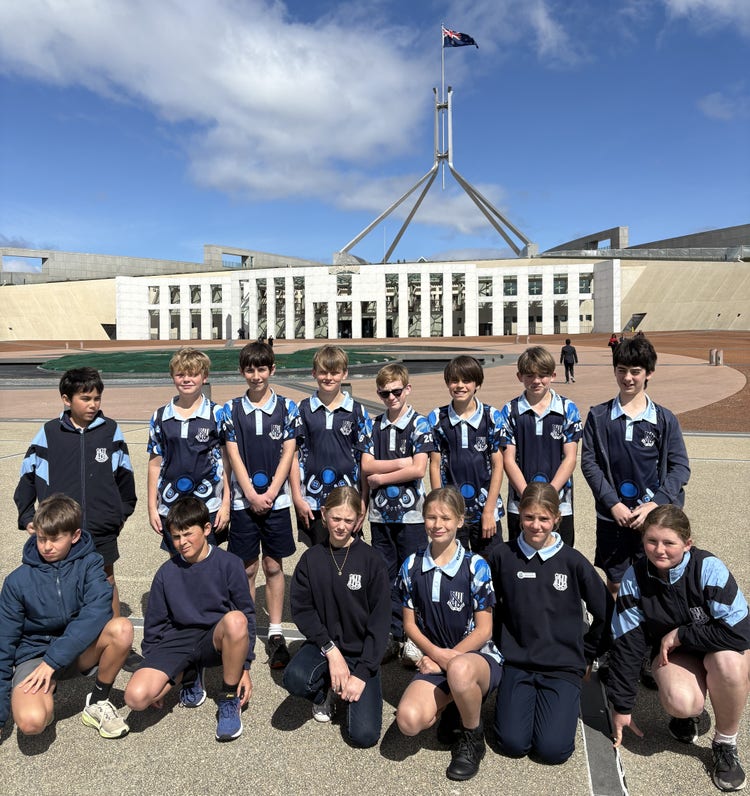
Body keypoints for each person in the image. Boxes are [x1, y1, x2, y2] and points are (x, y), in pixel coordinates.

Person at [608, 505, 749, 793]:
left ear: (687, 543)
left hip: (721, 646)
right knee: (683, 702)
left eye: (669, 542)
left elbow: (740, 632)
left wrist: (682, 634)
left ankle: (725, 743)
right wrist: (621, 705)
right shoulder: (635, 578)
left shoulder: (708, 568)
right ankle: (686, 716)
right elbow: (626, 644)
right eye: (651, 541)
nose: (659, 550)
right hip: (678, 653)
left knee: (729, 666)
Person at [13, 366, 138, 666]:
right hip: (62, 529)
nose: (93, 404)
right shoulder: (48, 433)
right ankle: (61, 645)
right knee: (62, 583)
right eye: (85, 398)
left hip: (100, 527)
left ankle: (117, 645)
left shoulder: (111, 430)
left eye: (96, 398)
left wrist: (117, 514)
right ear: (66, 399)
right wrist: (28, 515)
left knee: (106, 579)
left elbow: (125, 477)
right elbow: (27, 475)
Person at [486, 483, 612, 764]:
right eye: (529, 517)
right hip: (517, 662)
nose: (536, 525)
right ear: (519, 515)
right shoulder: (501, 556)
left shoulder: (573, 562)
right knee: (512, 744)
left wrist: (588, 652)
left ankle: (557, 706)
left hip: (562, 666)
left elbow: (606, 612)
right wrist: (494, 645)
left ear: (557, 518)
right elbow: (485, 606)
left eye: (544, 518)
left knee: (552, 751)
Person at [0, 495, 133, 739]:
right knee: (32, 724)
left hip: (77, 652)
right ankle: (45, 700)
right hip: (35, 655)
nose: (46, 546)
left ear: (75, 535)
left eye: (54, 539)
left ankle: (98, 701)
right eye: (41, 538)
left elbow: (98, 611)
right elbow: (3, 643)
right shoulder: (17, 581)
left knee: (121, 628)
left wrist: (53, 661)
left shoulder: (91, 564)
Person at [124, 497, 255, 742]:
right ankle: (189, 673)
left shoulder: (230, 564)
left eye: (187, 534)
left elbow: (247, 615)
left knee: (236, 620)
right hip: (179, 640)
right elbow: (154, 625)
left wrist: (244, 666)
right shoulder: (166, 572)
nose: (182, 542)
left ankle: (228, 700)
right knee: (136, 698)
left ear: (206, 529)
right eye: (176, 537)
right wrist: (160, 671)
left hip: (214, 639)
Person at [395, 487, 503, 782]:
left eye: (445, 517)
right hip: (436, 659)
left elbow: (484, 630)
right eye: (431, 517)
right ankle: (454, 705)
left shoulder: (475, 566)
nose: (437, 524)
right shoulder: (412, 565)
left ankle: (472, 737)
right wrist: (436, 655)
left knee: (458, 669)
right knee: (408, 721)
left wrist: (444, 659)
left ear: (459, 520)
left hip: (475, 660)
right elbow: (409, 625)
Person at [581, 334, 690, 600]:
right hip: (613, 516)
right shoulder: (599, 416)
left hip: (653, 518)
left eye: (635, 372)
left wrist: (656, 504)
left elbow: (680, 467)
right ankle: (617, 636)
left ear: (649, 373)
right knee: (616, 581)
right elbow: (589, 462)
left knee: (656, 578)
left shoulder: (664, 419)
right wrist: (612, 503)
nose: (628, 378)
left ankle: (654, 636)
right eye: (621, 371)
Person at [282, 486, 390, 748]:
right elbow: (302, 610)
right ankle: (324, 691)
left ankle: (349, 687)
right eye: (335, 518)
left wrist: (363, 672)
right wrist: (331, 651)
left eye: (348, 520)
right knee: (294, 678)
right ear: (323, 514)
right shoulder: (310, 560)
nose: (341, 526)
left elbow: (380, 622)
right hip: (325, 647)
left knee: (363, 737)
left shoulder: (372, 561)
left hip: (361, 652)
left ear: (358, 521)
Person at [222, 341, 299, 669]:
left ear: (272, 369)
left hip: (276, 501)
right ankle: (246, 629)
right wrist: (251, 495)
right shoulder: (230, 409)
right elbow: (232, 454)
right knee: (247, 567)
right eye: (250, 369)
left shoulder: (287, 407)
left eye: (262, 368)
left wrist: (271, 492)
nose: (256, 375)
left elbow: (289, 451)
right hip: (243, 501)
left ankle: (276, 630)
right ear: (243, 371)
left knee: (272, 566)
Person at [360, 364, 435, 658]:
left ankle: (414, 635)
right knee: (385, 575)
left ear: (407, 389)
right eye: (384, 393)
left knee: (413, 573)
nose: (391, 397)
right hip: (380, 515)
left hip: (412, 514)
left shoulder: (420, 423)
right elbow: (366, 466)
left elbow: (419, 469)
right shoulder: (373, 425)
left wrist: (381, 477)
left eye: (396, 391)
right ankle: (393, 631)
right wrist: (401, 464)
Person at [147, 347, 230, 555]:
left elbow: (228, 463)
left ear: (204, 377)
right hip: (172, 504)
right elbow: (155, 464)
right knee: (178, 562)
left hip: (209, 503)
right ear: (172, 377)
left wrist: (226, 504)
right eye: (180, 374)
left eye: (193, 374)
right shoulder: (160, 416)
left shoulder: (217, 413)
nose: (186, 379)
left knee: (208, 563)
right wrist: (151, 508)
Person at [499, 346, 582, 547]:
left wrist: (549, 495)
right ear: (519, 376)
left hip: (559, 501)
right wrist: (529, 496)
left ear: (553, 375)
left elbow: (570, 457)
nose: (536, 381)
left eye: (543, 375)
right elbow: (508, 459)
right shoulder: (510, 411)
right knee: (520, 557)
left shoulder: (567, 408)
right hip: (521, 501)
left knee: (560, 558)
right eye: (530, 375)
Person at [290, 345, 373, 547]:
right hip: (312, 498)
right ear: (314, 373)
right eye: (323, 372)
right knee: (318, 552)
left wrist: (363, 500)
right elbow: (292, 456)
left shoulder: (357, 410)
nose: (329, 377)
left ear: (344, 374)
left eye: (335, 372)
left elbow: (364, 459)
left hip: (347, 497)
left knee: (347, 553)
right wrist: (297, 498)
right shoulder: (302, 409)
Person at [428, 355, 505, 555]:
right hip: (452, 509)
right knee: (454, 564)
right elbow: (435, 465)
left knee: (491, 565)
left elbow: (498, 465)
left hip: (484, 509)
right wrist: (440, 508)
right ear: (447, 383)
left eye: (466, 380)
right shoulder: (437, 418)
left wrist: (489, 510)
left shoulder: (492, 417)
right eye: (454, 380)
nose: (460, 386)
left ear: (477, 384)